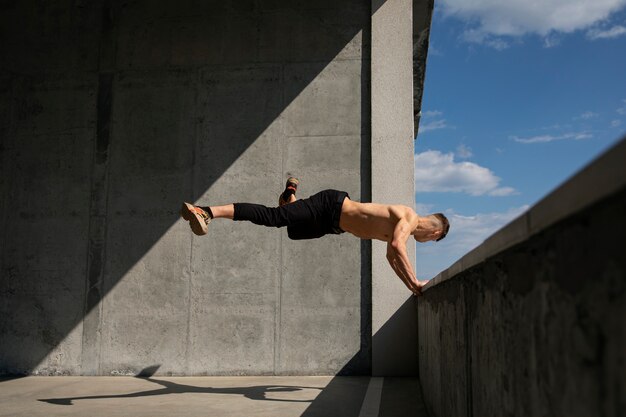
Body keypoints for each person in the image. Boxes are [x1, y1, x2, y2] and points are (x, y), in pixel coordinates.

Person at [181, 178, 449, 295]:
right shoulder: (410, 217)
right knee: (275, 218)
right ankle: (206, 211)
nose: (426, 243)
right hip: (330, 205)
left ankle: (290, 195)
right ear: (435, 232)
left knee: (294, 232)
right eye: (432, 241)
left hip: (332, 225)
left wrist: (411, 287)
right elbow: (395, 246)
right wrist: (415, 280)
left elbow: (392, 257)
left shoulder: (404, 227)